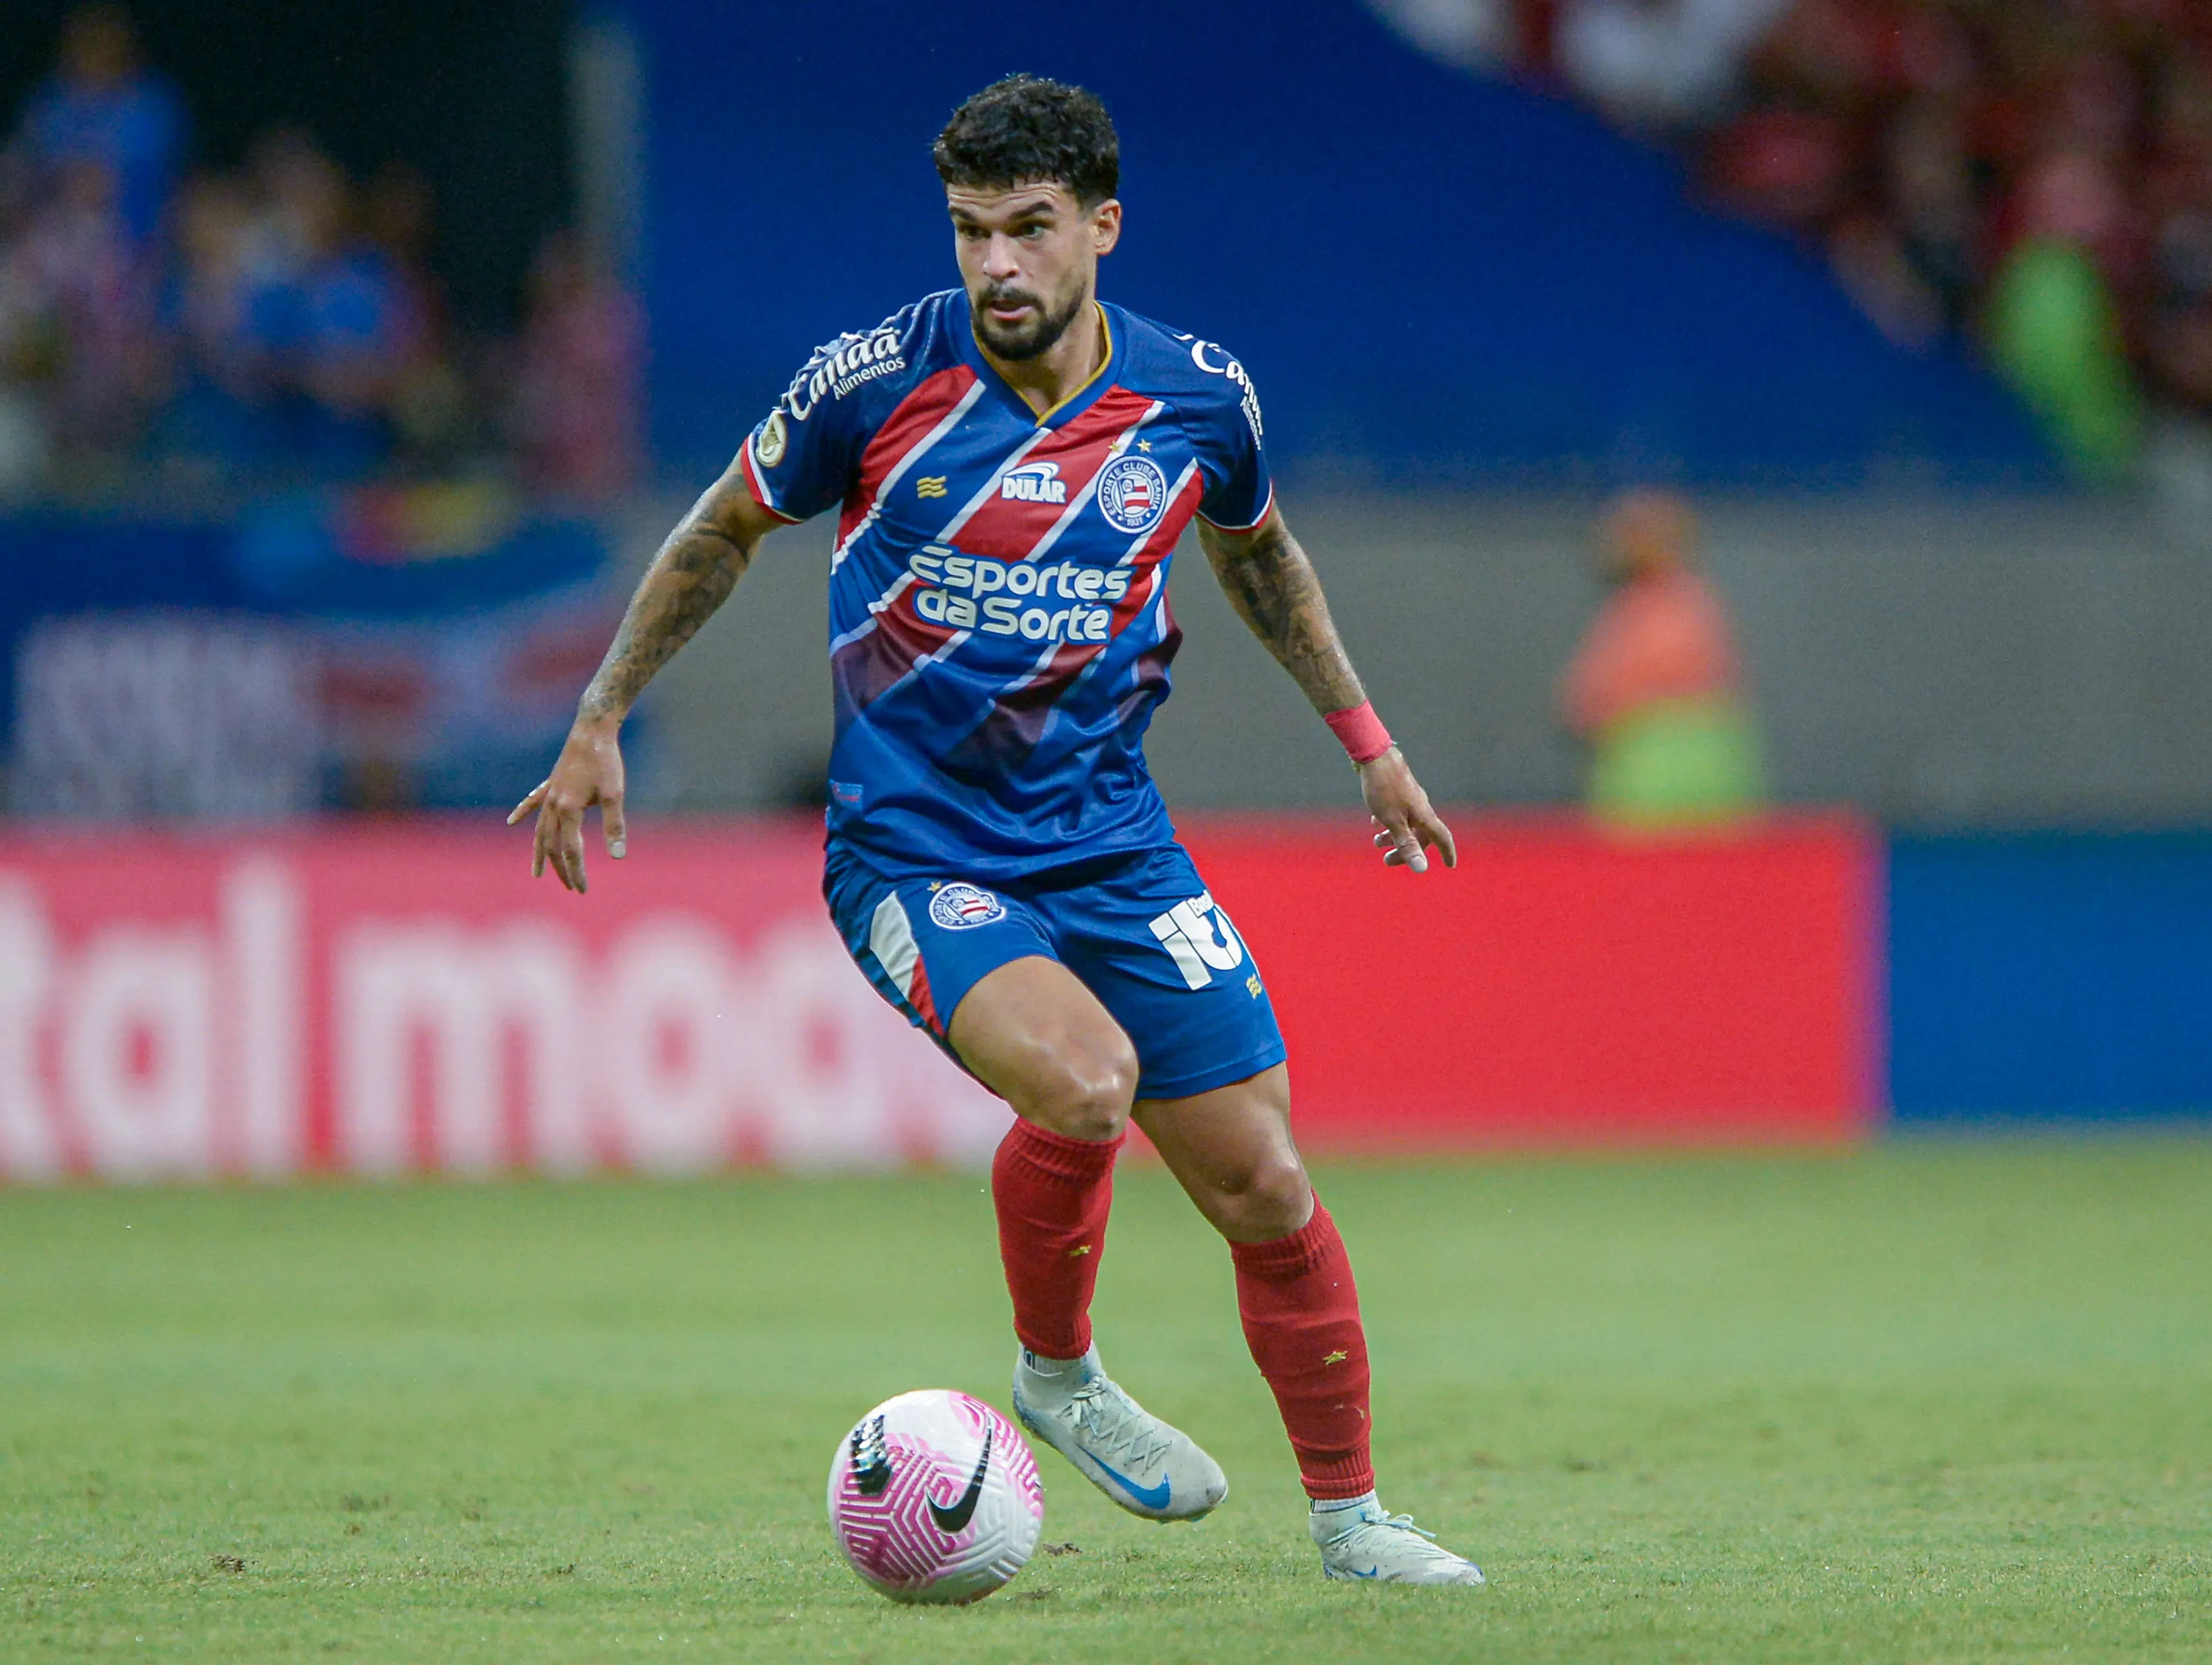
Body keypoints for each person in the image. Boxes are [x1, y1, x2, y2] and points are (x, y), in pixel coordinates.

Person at [510, 75, 1481, 1586]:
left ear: (1103, 225)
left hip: (1114, 845)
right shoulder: (875, 380)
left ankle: (1356, 1522)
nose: (998, 269)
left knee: (1268, 1184)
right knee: (1088, 1086)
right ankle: (1056, 1376)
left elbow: (1263, 558)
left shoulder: (1197, 401)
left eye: (1030, 231)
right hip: (918, 852)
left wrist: (1369, 744)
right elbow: (719, 531)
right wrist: (596, 719)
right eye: (971, 233)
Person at [1559, 488, 1764, 828]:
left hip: (1661, 768)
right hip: (1649, 767)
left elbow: (1610, 689)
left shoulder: (1678, 606)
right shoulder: (1647, 607)